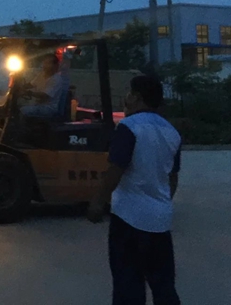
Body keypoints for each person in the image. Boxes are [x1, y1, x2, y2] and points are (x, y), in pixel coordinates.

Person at [88, 75, 182, 305]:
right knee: (163, 286)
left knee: (128, 285)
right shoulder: (172, 132)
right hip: (160, 223)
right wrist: (162, 205)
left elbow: (116, 169)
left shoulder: (129, 127)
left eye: (129, 94)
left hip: (128, 220)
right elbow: (172, 177)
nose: (126, 98)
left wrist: (98, 202)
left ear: (137, 98)